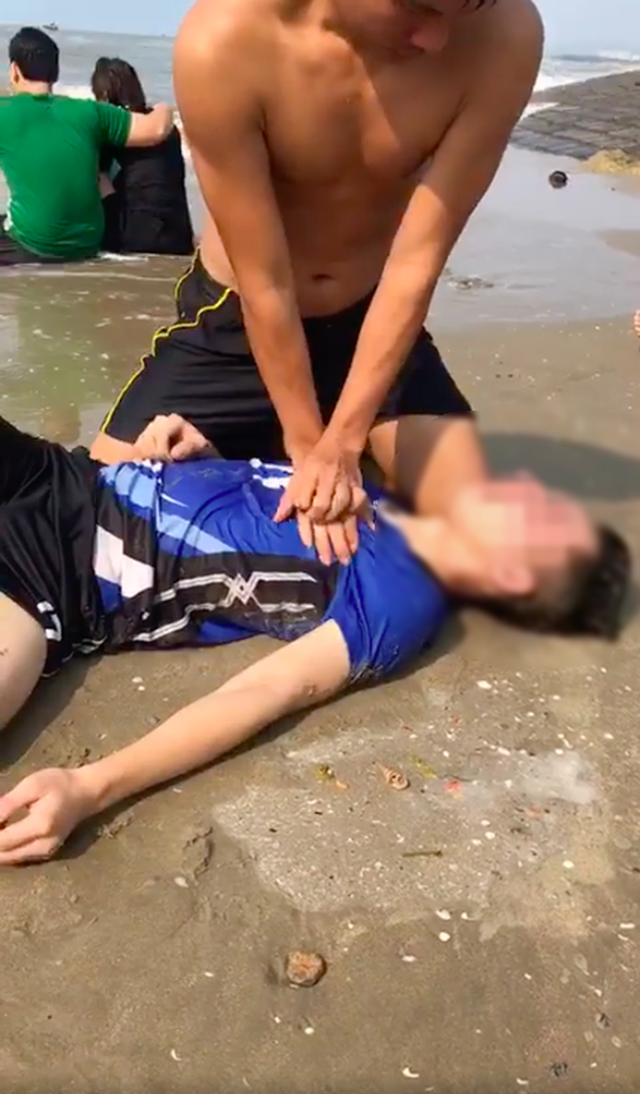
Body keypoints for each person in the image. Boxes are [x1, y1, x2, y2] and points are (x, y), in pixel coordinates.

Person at [0, 413, 630, 866]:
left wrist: (89, 789)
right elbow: (252, 520)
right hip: (61, 478)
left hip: (57, 588)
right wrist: (204, 452)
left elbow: (265, 690)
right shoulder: (388, 494)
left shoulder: (402, 599)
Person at [91, 0, 544, 566]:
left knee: (493, 540)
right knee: (95, 513)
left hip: (371, 318)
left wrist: (345, 443)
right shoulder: (225, 42)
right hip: (237, 322)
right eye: (418, 8)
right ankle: (232, 456)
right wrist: (308, 450)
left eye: (462, 10)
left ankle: (265, 454)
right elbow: (267, 284)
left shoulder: (503, 33)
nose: (435, 38)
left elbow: (415, 263)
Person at [0, 27, 174, 265]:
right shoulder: (91, 112)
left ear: (14, 71)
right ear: (56, 72)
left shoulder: (4, 111)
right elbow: (156, 129)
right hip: (87, 244)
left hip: (33, 244)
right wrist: (164, 107)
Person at [91, 57, 194, 256]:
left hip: (135, 238)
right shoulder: (167, 128)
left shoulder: (115, 130)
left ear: (104, 95)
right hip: (179, 237)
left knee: (96, 173)